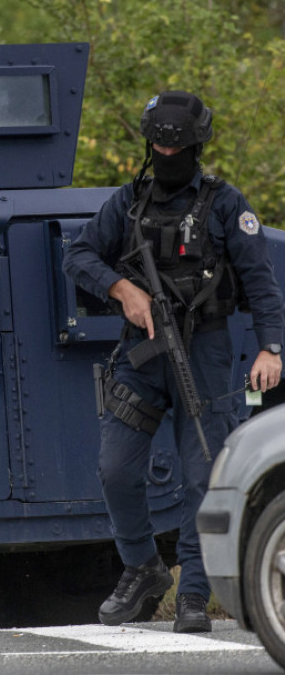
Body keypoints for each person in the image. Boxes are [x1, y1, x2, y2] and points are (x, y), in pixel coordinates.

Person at [63, 91, 284, 633]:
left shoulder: (226, 204)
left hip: (203, 353)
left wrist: (270, 348)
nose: (165, 152)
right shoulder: (129, 201)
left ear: (196, 145)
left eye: (175, 144)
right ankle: (142, 569)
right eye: (157, 143)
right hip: (142, 354)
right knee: (116, 470)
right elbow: (78, 255)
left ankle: (192, 593)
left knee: (202, 474)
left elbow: (261, 282)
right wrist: (122, 290)